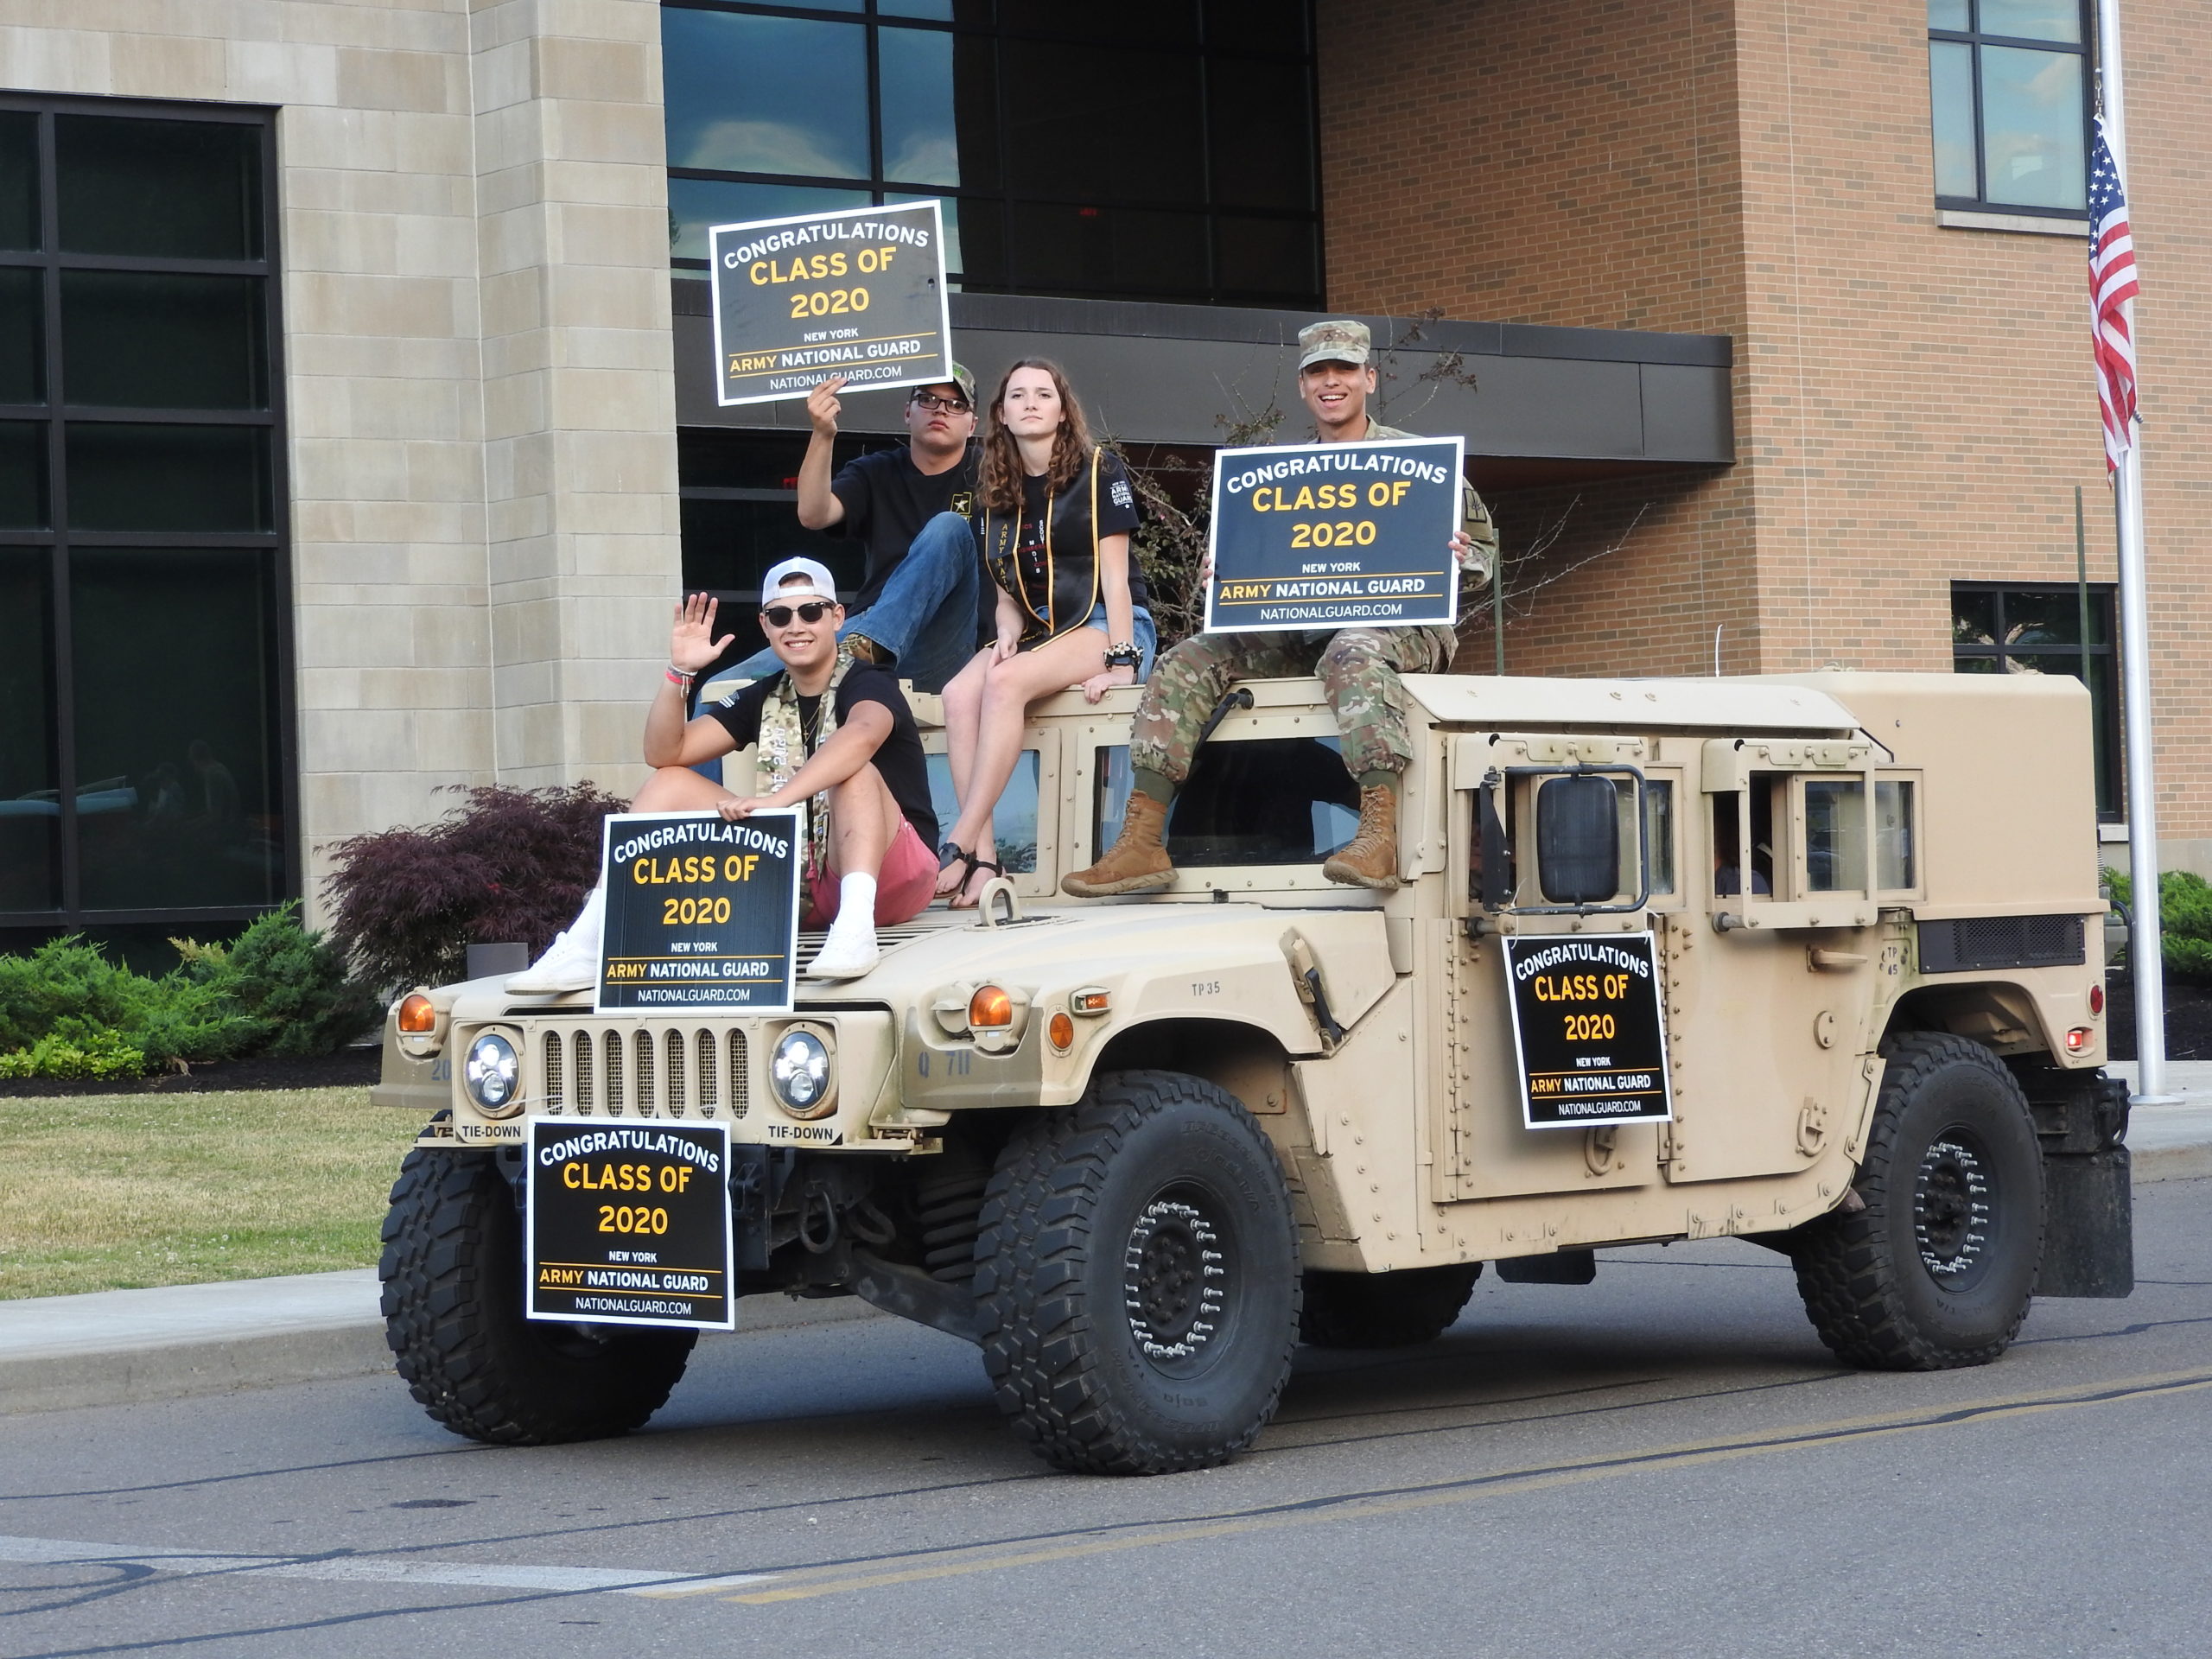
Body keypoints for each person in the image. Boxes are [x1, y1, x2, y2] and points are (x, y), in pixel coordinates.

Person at [1064, 318, 1497, 898]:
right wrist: (1220, 579)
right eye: (1318, 372)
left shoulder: (1423, 465)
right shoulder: (1272, 479)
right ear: (1302, 386)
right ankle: (1141, 839)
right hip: (1298, 627)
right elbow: (1243, 578)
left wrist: (1461, 558)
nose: (1331, 382)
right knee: (1187, 658)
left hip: (1399, 627)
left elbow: (1485, 563)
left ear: (1369, 378)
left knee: (1354, 653)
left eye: (1344, 369)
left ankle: (1379, 836)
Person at [508, 557, 941, 989]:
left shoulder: (870, 682)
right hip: (799, 881)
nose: (796, 626)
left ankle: (855, 930)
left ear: (836, 617)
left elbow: (862, 736)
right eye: (780, 615)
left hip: (891, 877)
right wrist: (680, 672)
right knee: (668, 782)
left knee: (854, 773)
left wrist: (776, 801)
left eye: (811, 612)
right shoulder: (764, 694)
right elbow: (665, 751)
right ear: (765, 626)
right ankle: (590, 940)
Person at [931, 359, 1157, 906]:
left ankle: (959, 836)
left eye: (1043, 394)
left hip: (1110, 624)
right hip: (1040, 632)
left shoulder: (1101, 468)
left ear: (1061, 410)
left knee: (1004, 686)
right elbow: (1007, 594)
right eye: (1018, 395)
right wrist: (1006, 632)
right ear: (1002, 414)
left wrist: (1123, 662)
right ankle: (985, 861)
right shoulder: (994, 486)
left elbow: (1118, 579)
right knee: (959, 693)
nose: (1031, 402)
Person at [717, 367, 982, 695]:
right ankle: (870, 648)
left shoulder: (996, 474)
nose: (941, 409)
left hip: (946, 642)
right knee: (722, 687)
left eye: (956, 404)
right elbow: (814, 514)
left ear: (972, 425)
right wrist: (822, 433)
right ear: (907, 412)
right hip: (861, 636)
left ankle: (871, 647)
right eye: (927, 399)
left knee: (948, 526)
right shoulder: (877, 471)